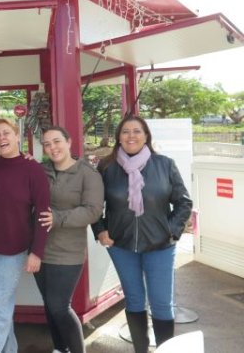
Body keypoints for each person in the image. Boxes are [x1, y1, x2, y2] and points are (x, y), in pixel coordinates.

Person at [91, 114, 192, 352]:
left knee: (161, 303)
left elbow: (183, 202)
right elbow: (94, 205)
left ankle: (166, 349)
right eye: (125, 131)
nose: (131, 136)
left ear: (146, 136)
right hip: (121, 246)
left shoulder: (164, 164)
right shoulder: (107, 167)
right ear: (119, 138)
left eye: (137, 131)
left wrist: (172, 231)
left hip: (160, 246)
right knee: (135, 300)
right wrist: (100, 230)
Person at [0, 118, 50, 353]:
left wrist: (36, 252)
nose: (2, 138)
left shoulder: (33, 169)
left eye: (6, 133)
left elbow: (42, 214)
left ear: (18, 136)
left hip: (14, 250)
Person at [36, 126, 104, 353]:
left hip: (68, 252)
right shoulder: (40, 170)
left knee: (59, 306)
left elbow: (93, 211)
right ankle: (60, 348)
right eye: (47, 144)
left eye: (56, 141)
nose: (52, 147)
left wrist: (58, 218)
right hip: (39, 249)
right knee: (49, 305)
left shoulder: (87, 173)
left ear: (69, 142)